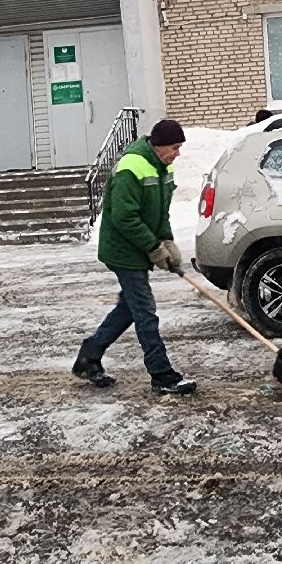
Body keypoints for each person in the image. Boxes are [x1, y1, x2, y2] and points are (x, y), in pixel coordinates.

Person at [72, 119, 197, 395]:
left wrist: (167, 240)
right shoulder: (131, 166)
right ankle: (161, 374)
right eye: (174, 147)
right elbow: (124, 217)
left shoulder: (164, 166)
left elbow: (161, 211)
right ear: (159, 145)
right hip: (122, 248)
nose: (178, 153)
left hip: (140, 246)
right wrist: (153, 247)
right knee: (145, 310)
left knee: (129, 308)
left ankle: (89, 356)